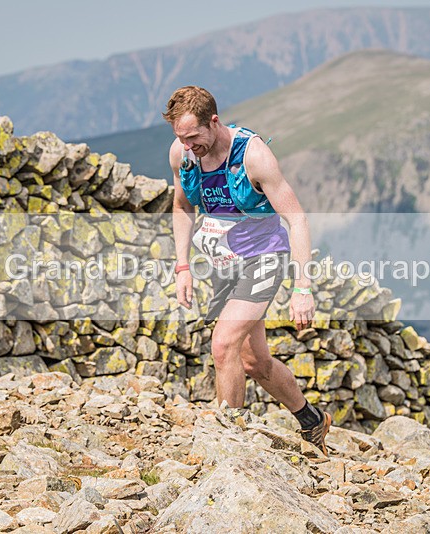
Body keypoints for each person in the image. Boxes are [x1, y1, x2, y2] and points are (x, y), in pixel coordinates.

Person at [162, 86, 331, 455]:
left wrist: (303, 288)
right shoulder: (183, 154)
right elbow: (181, 207)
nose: (189, 147)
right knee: (255, 362)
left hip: (264, 259)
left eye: (194, 137)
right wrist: (182, 266)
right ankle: (312, 420)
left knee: (223, 346)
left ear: (214, 121)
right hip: (225, 263)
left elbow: (296, 218)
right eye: (181, 138)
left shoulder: (253, 156)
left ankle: (230, 447)